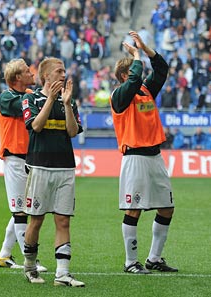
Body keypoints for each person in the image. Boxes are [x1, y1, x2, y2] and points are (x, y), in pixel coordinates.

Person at [110, 31, 177, 274]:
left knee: (166, 207)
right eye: (132, 73)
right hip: (135, 156)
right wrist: (136, 56)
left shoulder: (146, 91)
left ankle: (154, 258)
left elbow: (161, 69)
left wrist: (146, 50)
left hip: (155, 156)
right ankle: (130, 262)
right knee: (134, 209)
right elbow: (135, 78)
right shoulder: (119, 96)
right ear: (123, 77)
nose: (138, 76)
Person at [21, 57, 85, 287]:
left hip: (65, 167)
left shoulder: (69, 101)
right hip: (40, 167)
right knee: (36, 220)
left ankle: (62, 274)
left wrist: (67, 104)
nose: (63, 74)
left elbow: (72, 131)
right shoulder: (31, 98)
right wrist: (50, 99)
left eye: (64, 71)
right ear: (46, 76)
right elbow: (36, 126)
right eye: (59, 71)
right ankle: (29, 267)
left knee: (63, 220)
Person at [0, 58, 47, 273]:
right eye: (27, 71)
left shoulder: (26, 95)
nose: (32, 73)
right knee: (20, 211)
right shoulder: (7, 98)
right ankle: (30, 259)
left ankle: (4, 255)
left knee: (22, 208)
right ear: (17, 78)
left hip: (29, 158)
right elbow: (26, 106)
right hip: (15, 159)